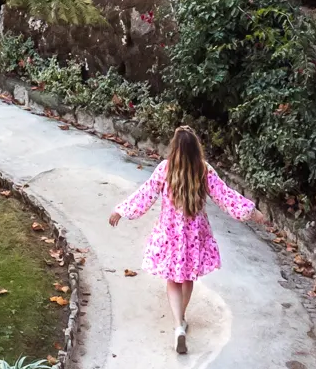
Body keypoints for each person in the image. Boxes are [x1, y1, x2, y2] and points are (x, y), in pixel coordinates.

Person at [108, 124, 263, 355]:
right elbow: (225, 195)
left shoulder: (165, 169)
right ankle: (181, 320)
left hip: (170, 234)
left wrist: (121, 210)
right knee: (187, 278)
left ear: (176, 148)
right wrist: (251, 211)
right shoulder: (203, 170)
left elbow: (145, 194)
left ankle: (178, 324)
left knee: (173, 279)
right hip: (194, 236)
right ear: (195, 149)